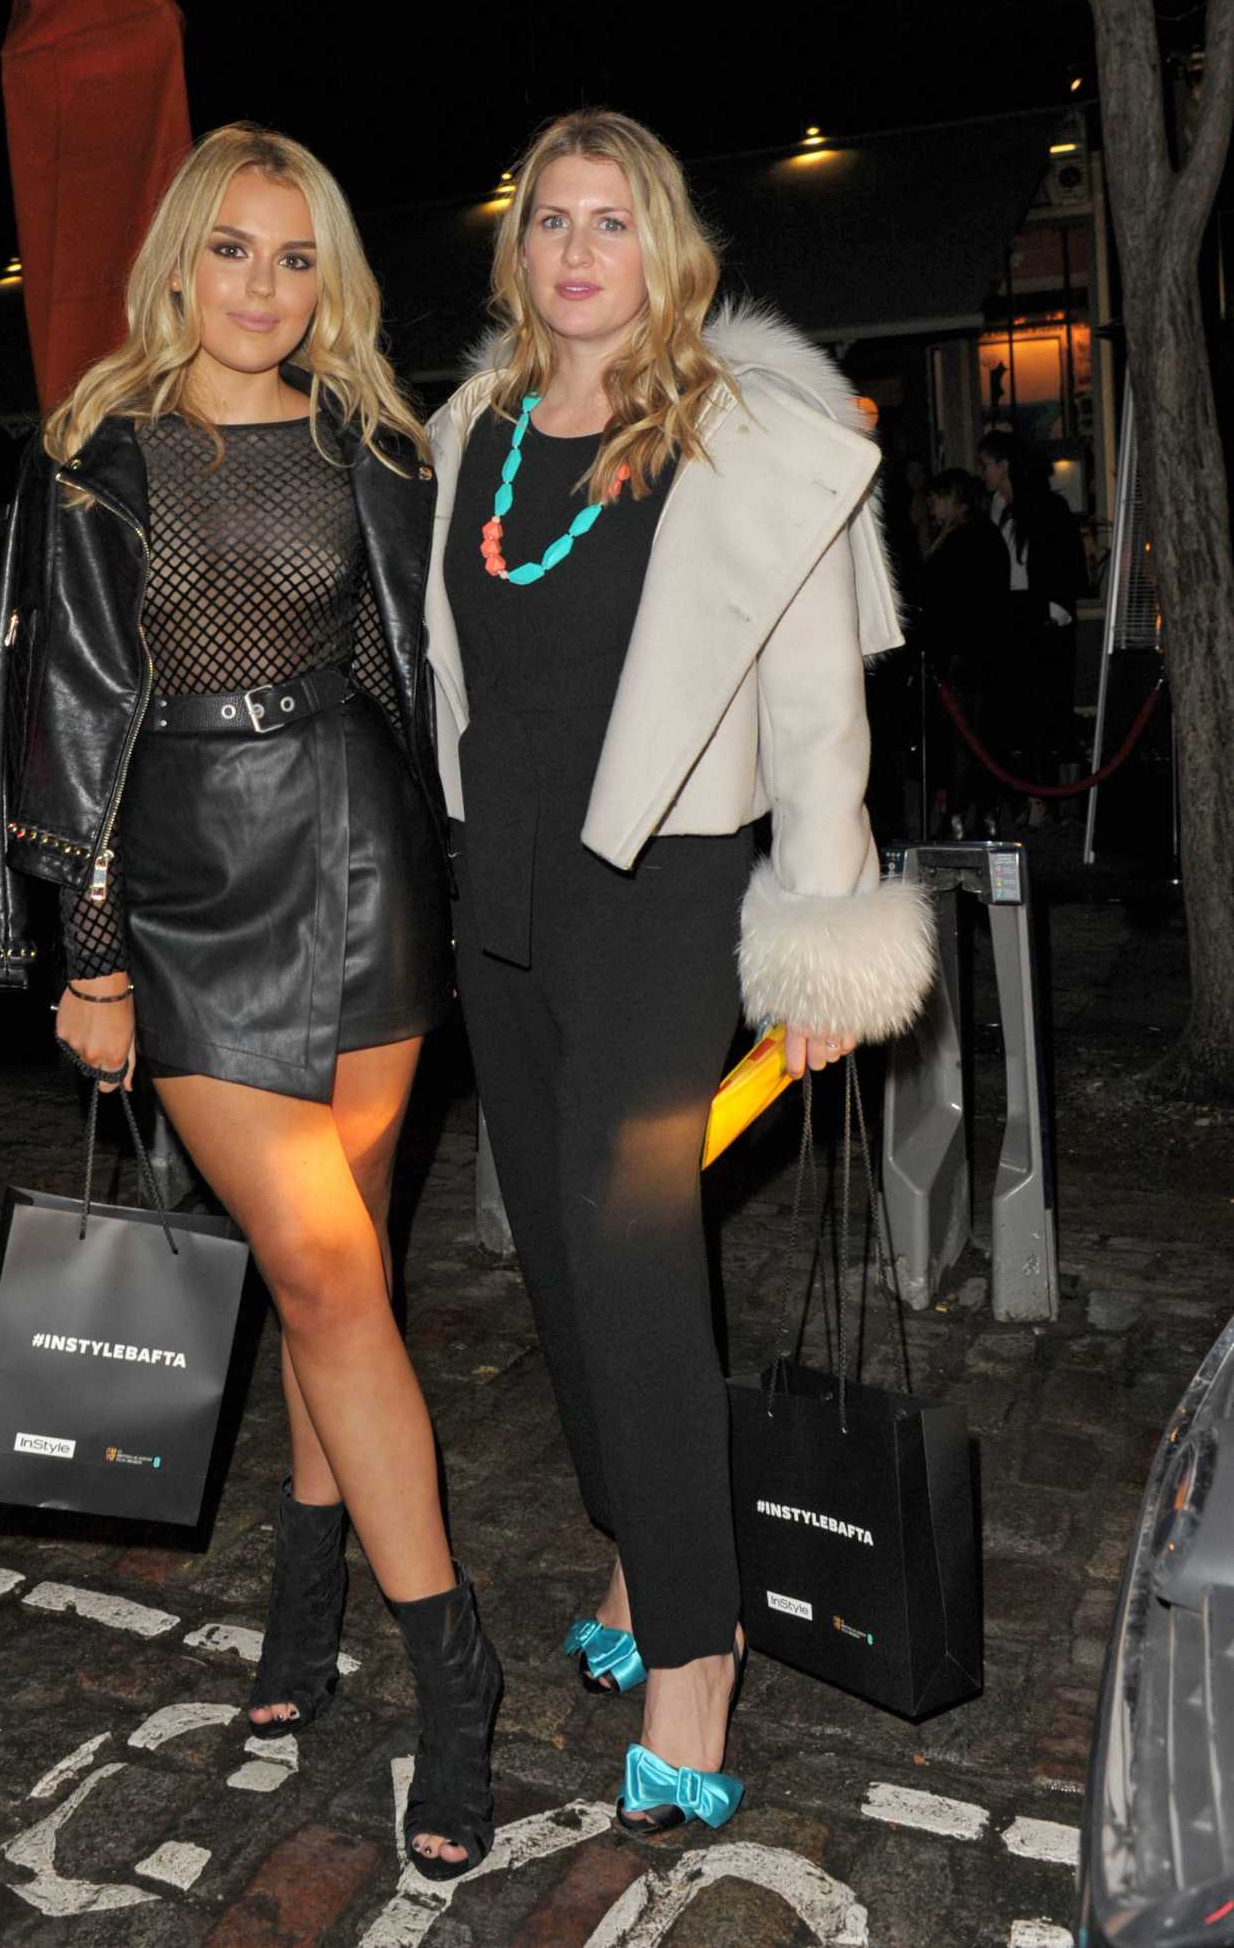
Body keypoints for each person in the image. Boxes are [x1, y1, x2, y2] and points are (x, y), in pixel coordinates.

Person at [0, 124, 500, 1881]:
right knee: (326, 1266)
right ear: (179, 260)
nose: (263, 285)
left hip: (362, 856)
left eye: (295, 255)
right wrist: (92, 952)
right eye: (234, 249)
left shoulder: (370, 445)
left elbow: (410, 668)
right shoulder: (94, 454)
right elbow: (72, 712)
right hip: (184, 884)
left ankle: (306, 1601)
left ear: (329, 279)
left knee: (338, 1275)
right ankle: (457, 1672)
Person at [423, 110, 935, 1835]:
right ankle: (642, 1552)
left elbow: (819, 711)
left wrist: (824, 942)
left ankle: (696, 1655)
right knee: (560, 1255)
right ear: (520, 252)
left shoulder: (737, 431)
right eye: (551, 220)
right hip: (504, 886)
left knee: (631, 1245)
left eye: (613, 220)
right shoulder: (475, 434)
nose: (579, 250)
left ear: (667, 247)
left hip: (666, 887)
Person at [978, 429, 1085, 808]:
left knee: (1047, 707)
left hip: (1041, 614)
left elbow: (1066, 561)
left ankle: (1054, 797)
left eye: (987, 465)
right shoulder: (994, 507)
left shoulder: (1045, 506)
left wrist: (1055, 607)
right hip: (1009, 613)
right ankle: (1027, 796)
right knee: (1015, 709)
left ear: (1004, 465)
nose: (983, 473)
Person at [921, 468, 1012, 834]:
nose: (932, 507)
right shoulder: (988, 536)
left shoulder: (958, 541)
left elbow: (941, 602)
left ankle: (957, 813)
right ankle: (985, 813)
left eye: (937, 499)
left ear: (954, 499)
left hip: (960, 652)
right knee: (983, 737)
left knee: (960, 738)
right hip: (987, 651)